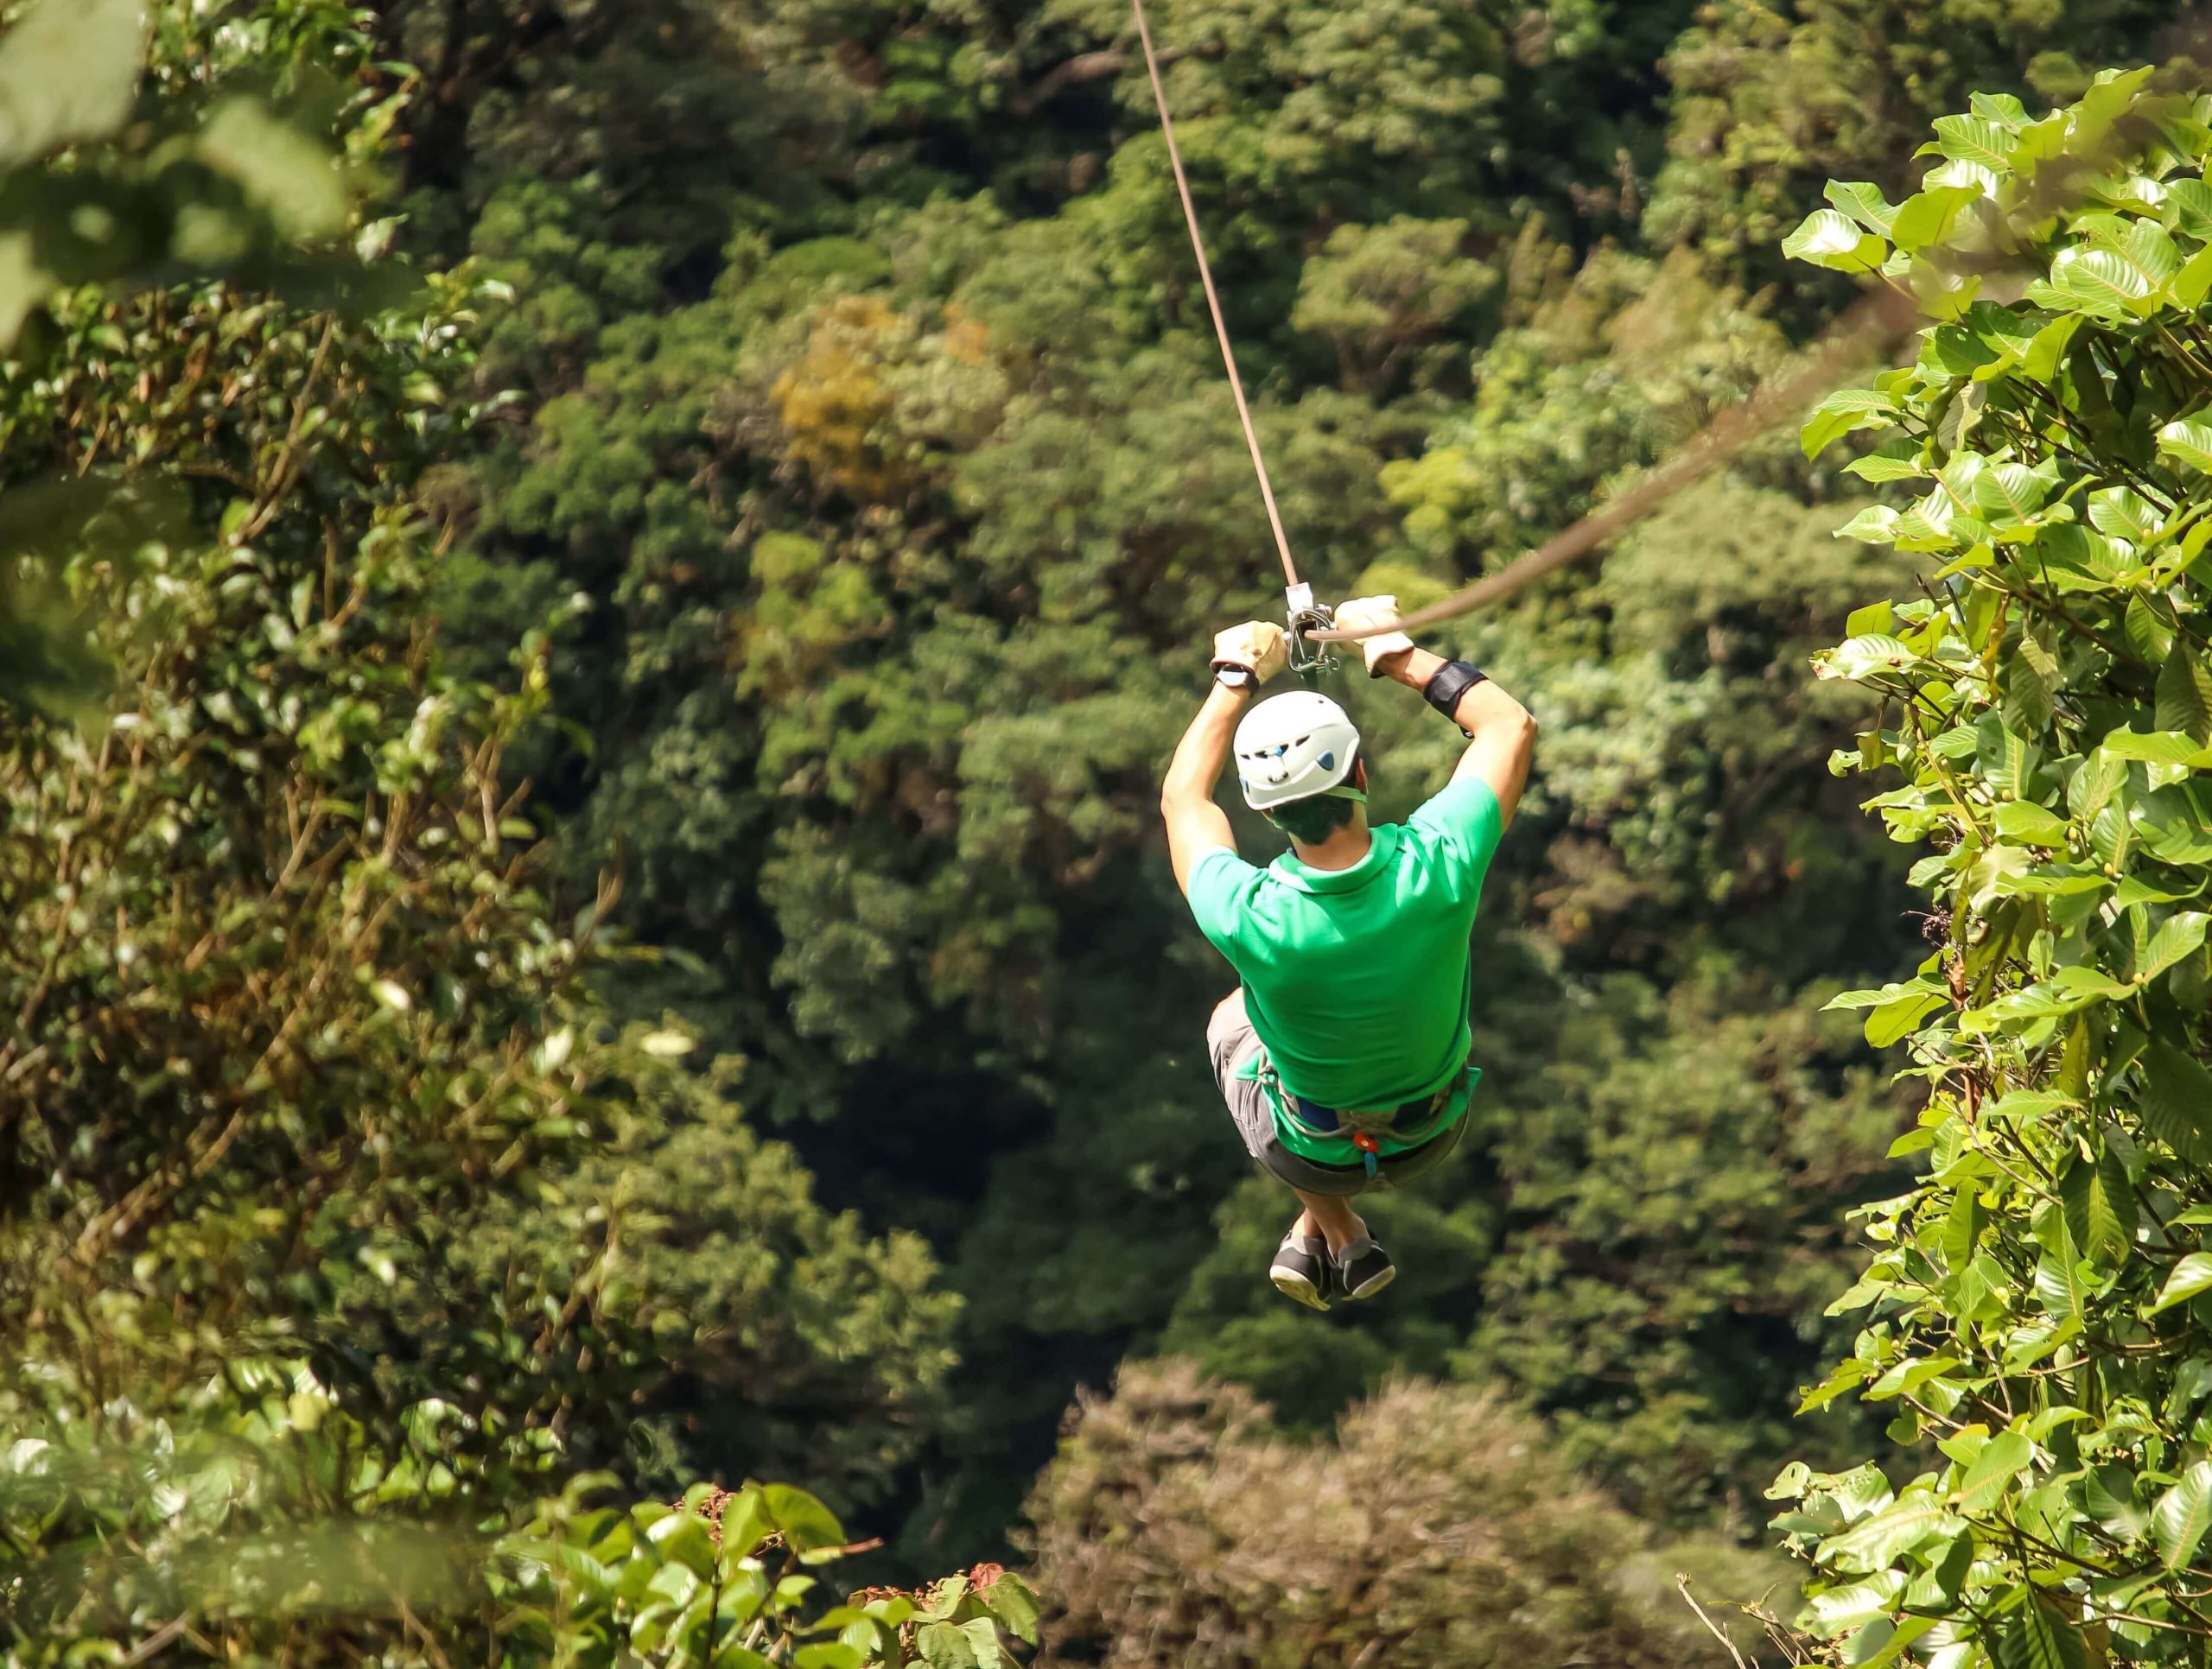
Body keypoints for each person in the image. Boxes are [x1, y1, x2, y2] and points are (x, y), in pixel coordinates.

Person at [1158, 596, 1538, 1309]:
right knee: (1278, 1024)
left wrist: (1234, 679)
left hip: (1309, 1146)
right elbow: (1508, 724)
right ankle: (1334, 1233)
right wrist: (1397, 655)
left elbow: (1184, 799)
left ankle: (1334, 1225)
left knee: (1231, 1021)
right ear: (1360, 776)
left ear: (1264, 810)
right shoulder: (1440, 863)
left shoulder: (1246, 912)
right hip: (1435, 1130)